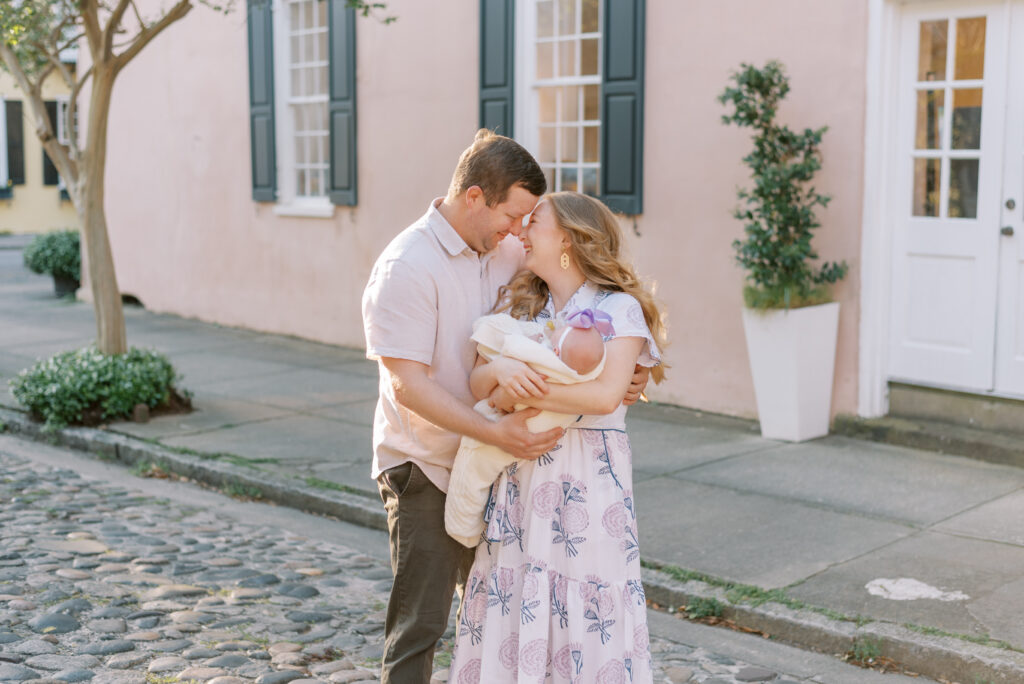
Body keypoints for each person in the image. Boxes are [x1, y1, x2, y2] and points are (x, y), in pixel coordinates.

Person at [361, 131, 651, 683]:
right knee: (421, 625)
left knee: (501, 615)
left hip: (513, 475)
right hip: (426, 465)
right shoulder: (407, 266)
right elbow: (407, 387)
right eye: (513, 216)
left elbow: (581, 291)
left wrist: (626, 373)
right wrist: (499, 430)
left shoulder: (508, 252)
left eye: (527, 222)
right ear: (475, 198)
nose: (518, 231)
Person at [449, 192, 667, 683]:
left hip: (585, 480)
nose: (522, 231)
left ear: (567, 237)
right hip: (521, 471)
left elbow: (607, 395)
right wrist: (502, 368)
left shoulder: (619, 309)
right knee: (519, 588)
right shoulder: (526, 305)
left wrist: (522, 389)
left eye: (535, 222)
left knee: (584, 592)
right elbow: (477, 382)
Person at [444, 307, 615, 548]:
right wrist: (498, 373)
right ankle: (467, 530)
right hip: (531, 442)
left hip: (526, 428)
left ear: (555, 351)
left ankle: (462, 528)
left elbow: (510, 342)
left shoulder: (541, 356)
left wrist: (504, 389)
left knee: (473, 467)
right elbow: (480, 384)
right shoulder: (587, 359)